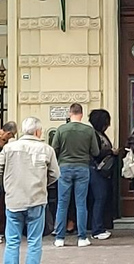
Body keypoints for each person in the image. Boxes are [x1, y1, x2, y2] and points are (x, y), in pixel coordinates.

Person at [0, 117, 60, 264]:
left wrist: (8, 186)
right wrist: (42, 184)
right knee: (34, 241)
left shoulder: (9, 148)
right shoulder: (46, 149)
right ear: (37, 131)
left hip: (14, 199)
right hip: (36, 199)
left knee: (12, 241)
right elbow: (55, 174)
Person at [53, 103, 100, 248]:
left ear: (69, 113)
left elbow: (54, 149)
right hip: (82, 168)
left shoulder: (61, 129)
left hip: (64, 168)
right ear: (81, 113)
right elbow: (96, 151)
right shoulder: (88, 130)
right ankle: (82, 237)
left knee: (62, 203)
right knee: (81, 203)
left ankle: (60, 238)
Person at [88, 109, 116, 241]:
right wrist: (111, 152)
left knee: (99, 198)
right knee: (100, 197)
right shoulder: (95, 135)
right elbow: (96, 153)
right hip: (97, 170)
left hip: (97, 170)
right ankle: (97, 229)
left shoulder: (97, 134)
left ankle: (98, 226)